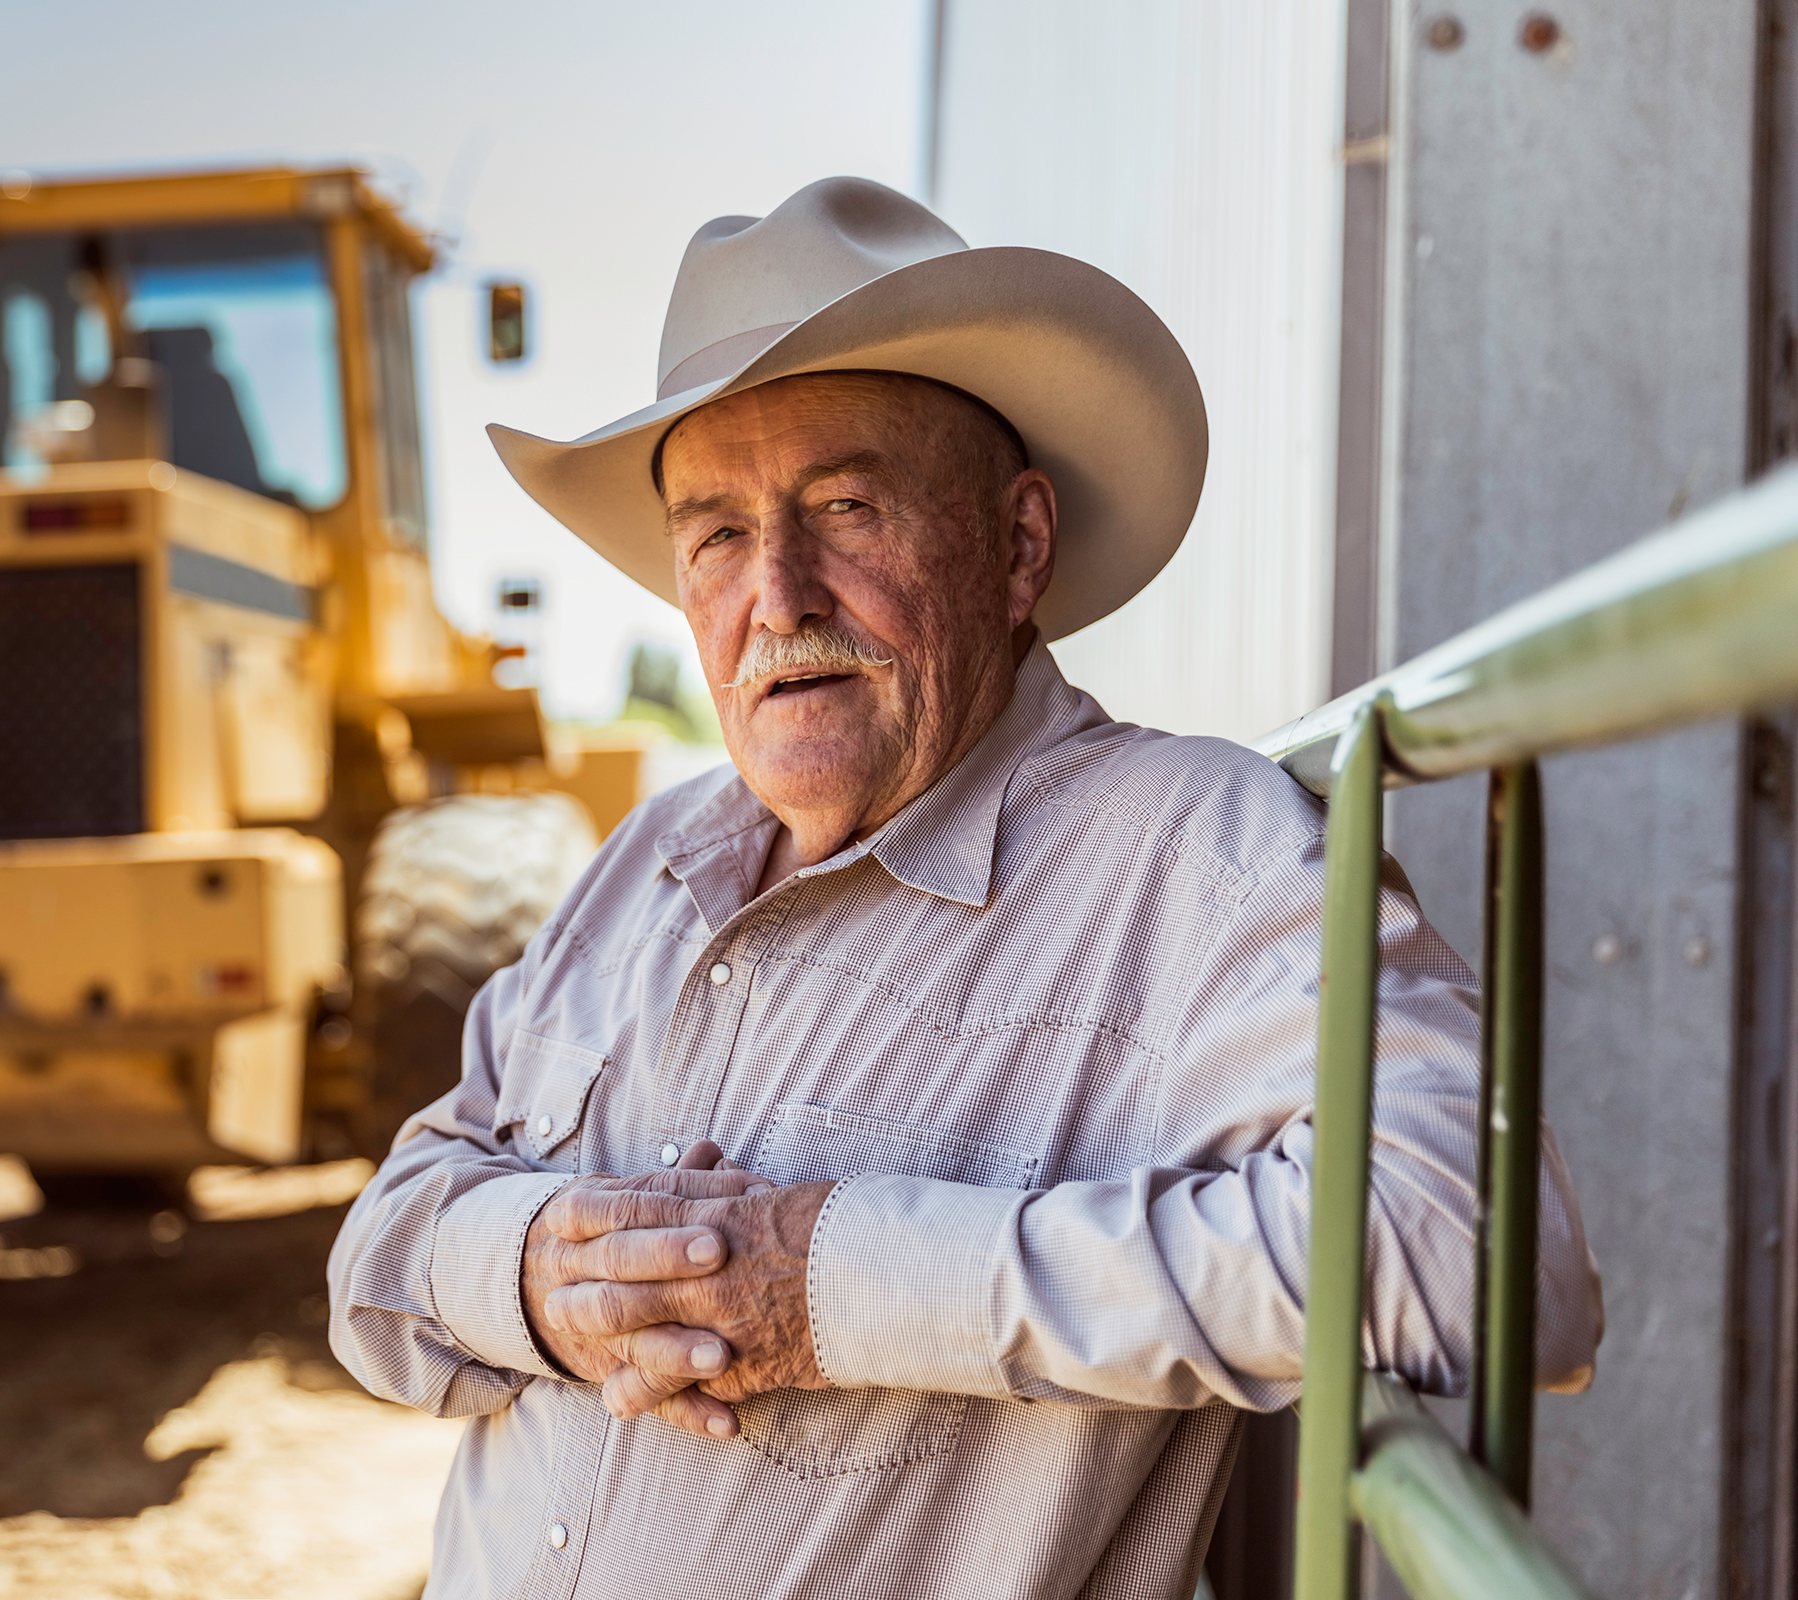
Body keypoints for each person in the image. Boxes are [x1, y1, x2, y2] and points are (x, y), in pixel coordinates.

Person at [327, 176, 1602, 1600]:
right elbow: (381, 1251)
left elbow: (1486, 1255)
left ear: (1018, 545)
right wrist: (535, 1280)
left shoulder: (1189, 850)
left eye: (847, 506)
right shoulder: (644, 860)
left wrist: (829, 1287)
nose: (781, 595)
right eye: (718, 537)